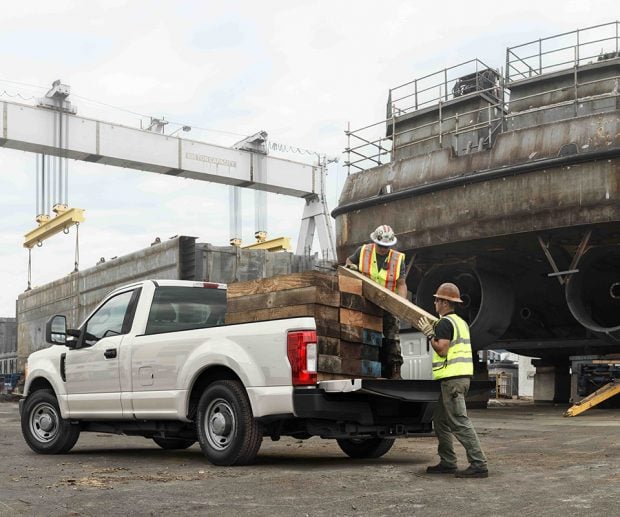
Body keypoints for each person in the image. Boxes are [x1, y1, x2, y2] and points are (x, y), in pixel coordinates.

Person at [418, 282, 489, 478]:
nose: (434, 303)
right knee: (440, 419)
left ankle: (478, 464)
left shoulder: (444, 324)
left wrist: (430, 335)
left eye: (437, 300)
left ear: (444, 302)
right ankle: (447, 462)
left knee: (459, 421)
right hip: (457, 379)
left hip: (453, 380)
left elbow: (442, 349)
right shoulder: (461, 322)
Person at [345, 224, 407, 380]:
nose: (383, 249)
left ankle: (395, 370)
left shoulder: (397, 259)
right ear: (375, 242)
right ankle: (370, 370)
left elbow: (401, 284)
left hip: (388, 304)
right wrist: (351, 268)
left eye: (386, 246)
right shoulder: (363, 251)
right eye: (380, 246)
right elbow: (348, 262)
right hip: (367, 302)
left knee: (392, 336)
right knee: (368, 336)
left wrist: (400, 304)